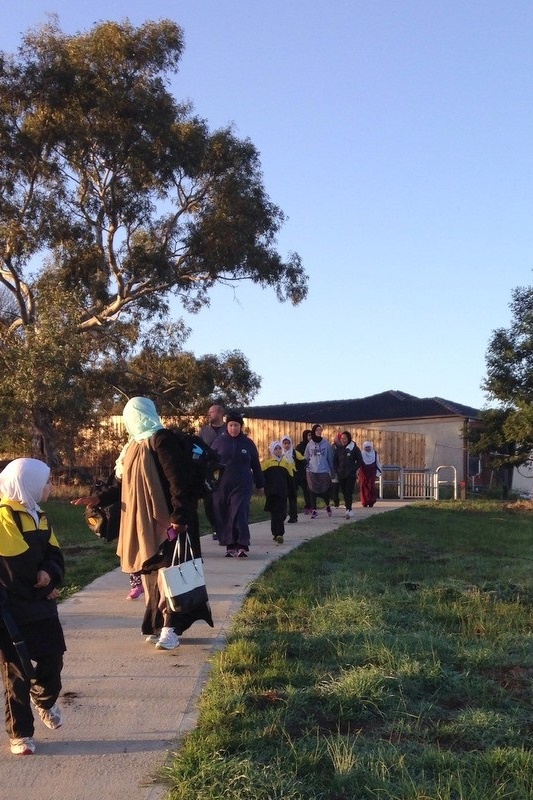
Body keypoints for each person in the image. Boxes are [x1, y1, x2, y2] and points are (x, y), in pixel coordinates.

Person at [73, 396, 213, 651]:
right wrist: (97, 498)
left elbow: (177, 482)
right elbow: (122, 484)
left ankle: (172, 628)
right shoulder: (133, 445)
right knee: (151, 574)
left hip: (171, 521)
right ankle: (158, 624)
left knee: (173, 572)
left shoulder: (162, 440)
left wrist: (179, 518)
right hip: (145, 522)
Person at [0, 458, 66, 756]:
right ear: (27, 483)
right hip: (12, 610)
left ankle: (46, 698)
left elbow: (54, 553)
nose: (49, 486)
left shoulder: (39, 515)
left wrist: (51, 576)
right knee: (17, 672)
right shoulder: (5, 516)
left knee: (53, 658)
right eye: (46, 481)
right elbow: (15, 567)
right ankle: (20, 735)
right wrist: (41, 582)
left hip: (41, 604)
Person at [211, 412, 264, 557]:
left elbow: (256, 465)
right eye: (231, 425)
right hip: (223, 484)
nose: (233, 428)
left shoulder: (248, 443)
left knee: (239, 512)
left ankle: (242, 544)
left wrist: (260, 483)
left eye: (236, 425)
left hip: (243, 483)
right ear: (227, 426)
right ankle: (230, 545)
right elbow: (210, 463)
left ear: (241, 427)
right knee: (225, 513)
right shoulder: (219, 442)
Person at [199, 401, 226, 540]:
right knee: (209, 502)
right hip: (208, 471)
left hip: (226, 470)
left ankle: (224, 528)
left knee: (224, 500)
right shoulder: (204, 431)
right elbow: (197, 448)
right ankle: (215, 526)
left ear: (220, 413)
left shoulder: (229, 428)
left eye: (212, 412)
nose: (209, 414)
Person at [304, 424, 335, 519]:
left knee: (324, 490)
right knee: (312, 490)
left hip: (323, 470)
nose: (318, 431)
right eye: (317, 430)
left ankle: (327, 506)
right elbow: (306, 456)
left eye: (320, 430)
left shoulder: (326, 444)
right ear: (314, 431)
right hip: (312, 470)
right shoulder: (310, 444)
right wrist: (306, 466)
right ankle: (314, 510)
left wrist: (332, 470)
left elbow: (330, 457)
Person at [262, 441, 291, 544]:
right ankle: (278, 534)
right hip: (272, 492)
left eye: (279, 448)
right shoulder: (267, 464)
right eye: (275, 449)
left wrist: (291, 490)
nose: (278, 450)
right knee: (275, 513)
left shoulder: (286, 464)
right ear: (272, 451)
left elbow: (290, 479)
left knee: (282, 513)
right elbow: (262, 477)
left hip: (282, 492)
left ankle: (277, 531)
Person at [334, 431, 363, 519]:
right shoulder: (339, 449)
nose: (343, 440)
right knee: (344, 492)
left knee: (348, 492)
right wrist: (337, 470)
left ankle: (349, 509)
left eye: (345, 438)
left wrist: (354, 468)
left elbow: (360, 460)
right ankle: (347, 507)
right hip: (341, 474)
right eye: (342, 439)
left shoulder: (354, 448)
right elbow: (335, 460)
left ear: (349, 439)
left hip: (350, 475)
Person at [281, 435, 306, 523]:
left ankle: (293, 516)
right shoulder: (280, 454)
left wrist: (299, 474)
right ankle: (282, 515)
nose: (286, 445)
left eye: (288, 443)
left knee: (292, 498)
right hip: (283, 479)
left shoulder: (294, 453)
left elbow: (303, 461)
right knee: (282, 498)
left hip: (292, 479)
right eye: (284, 443)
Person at [359, 440, 383, 507]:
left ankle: (371, 501)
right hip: (363, 474)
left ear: (371, 447)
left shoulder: (375, 454)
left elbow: (378, 463)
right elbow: (358, 463)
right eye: (366, 447)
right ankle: (364, 502)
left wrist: (378, 472)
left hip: (372, 473)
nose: (368, 449)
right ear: (364, 448)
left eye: (369, 447)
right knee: (363, 486)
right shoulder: (361, 454)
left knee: (371, 487)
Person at [295, 429, 313, 514]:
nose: (310, 437)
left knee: (312, 489)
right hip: (302, 472)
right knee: (305, 489)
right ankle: (308, 506)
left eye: (311, 435)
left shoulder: (314, 445)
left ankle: (312, 505)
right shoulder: (300, 446)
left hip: (312, 470)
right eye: (309, 435)